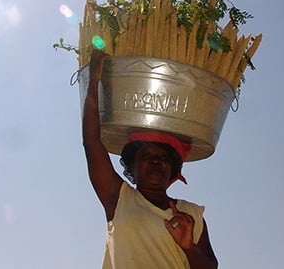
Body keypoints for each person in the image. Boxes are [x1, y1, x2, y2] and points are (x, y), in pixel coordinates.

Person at [82, 49, 218, 269]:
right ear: (132, 167)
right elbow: (92, 141)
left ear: (172, 167)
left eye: (163, 158)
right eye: (147, 156)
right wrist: (93, 80)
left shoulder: (191, 214)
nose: (156, 161)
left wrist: (187, 246)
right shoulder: (118, 198)